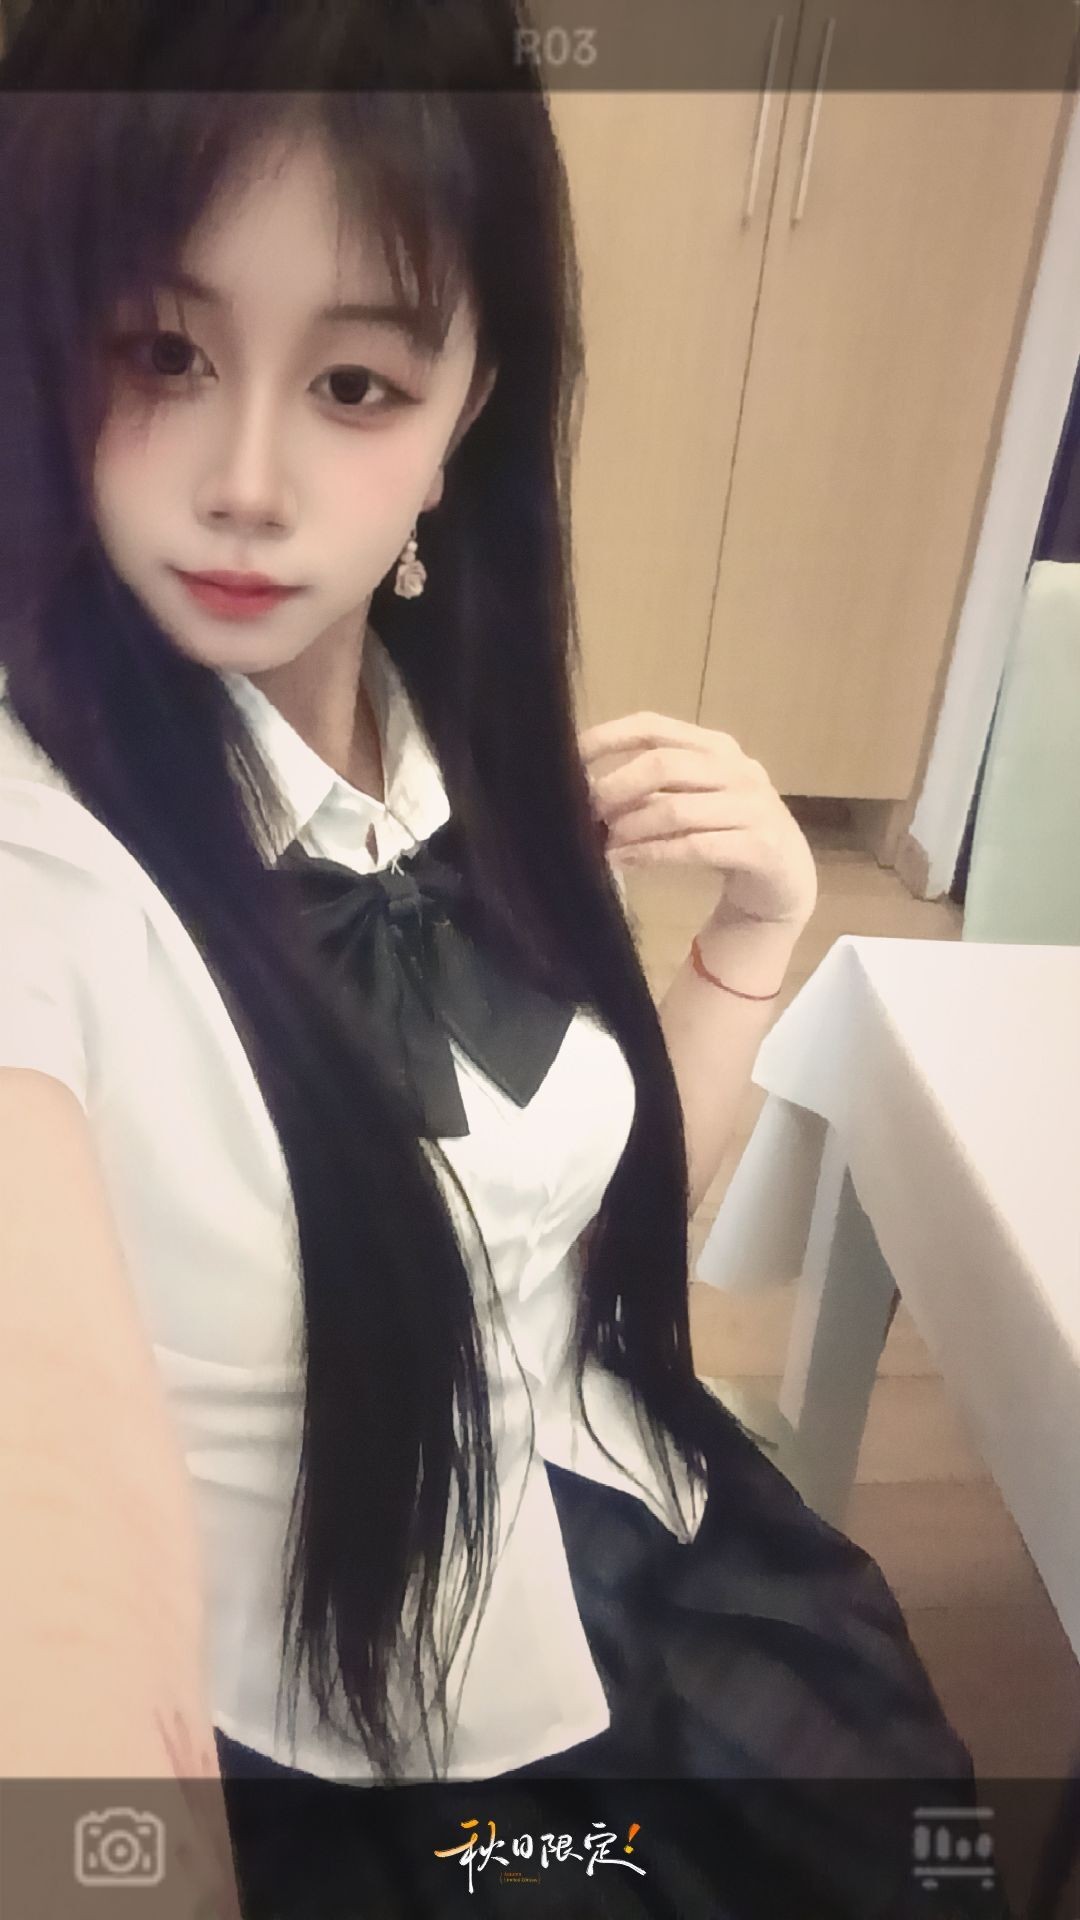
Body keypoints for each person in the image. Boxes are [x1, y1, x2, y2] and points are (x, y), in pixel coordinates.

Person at [0, 5, 1013, 1917]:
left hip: (630, 1529)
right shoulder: (40, 864)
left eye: (354, 382)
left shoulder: (452, 745)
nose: (243, 479)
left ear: (469, 405)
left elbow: (557, 1244)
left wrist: (752, 944)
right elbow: (44, 1522)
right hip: (378, 1742)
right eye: (163, 351)